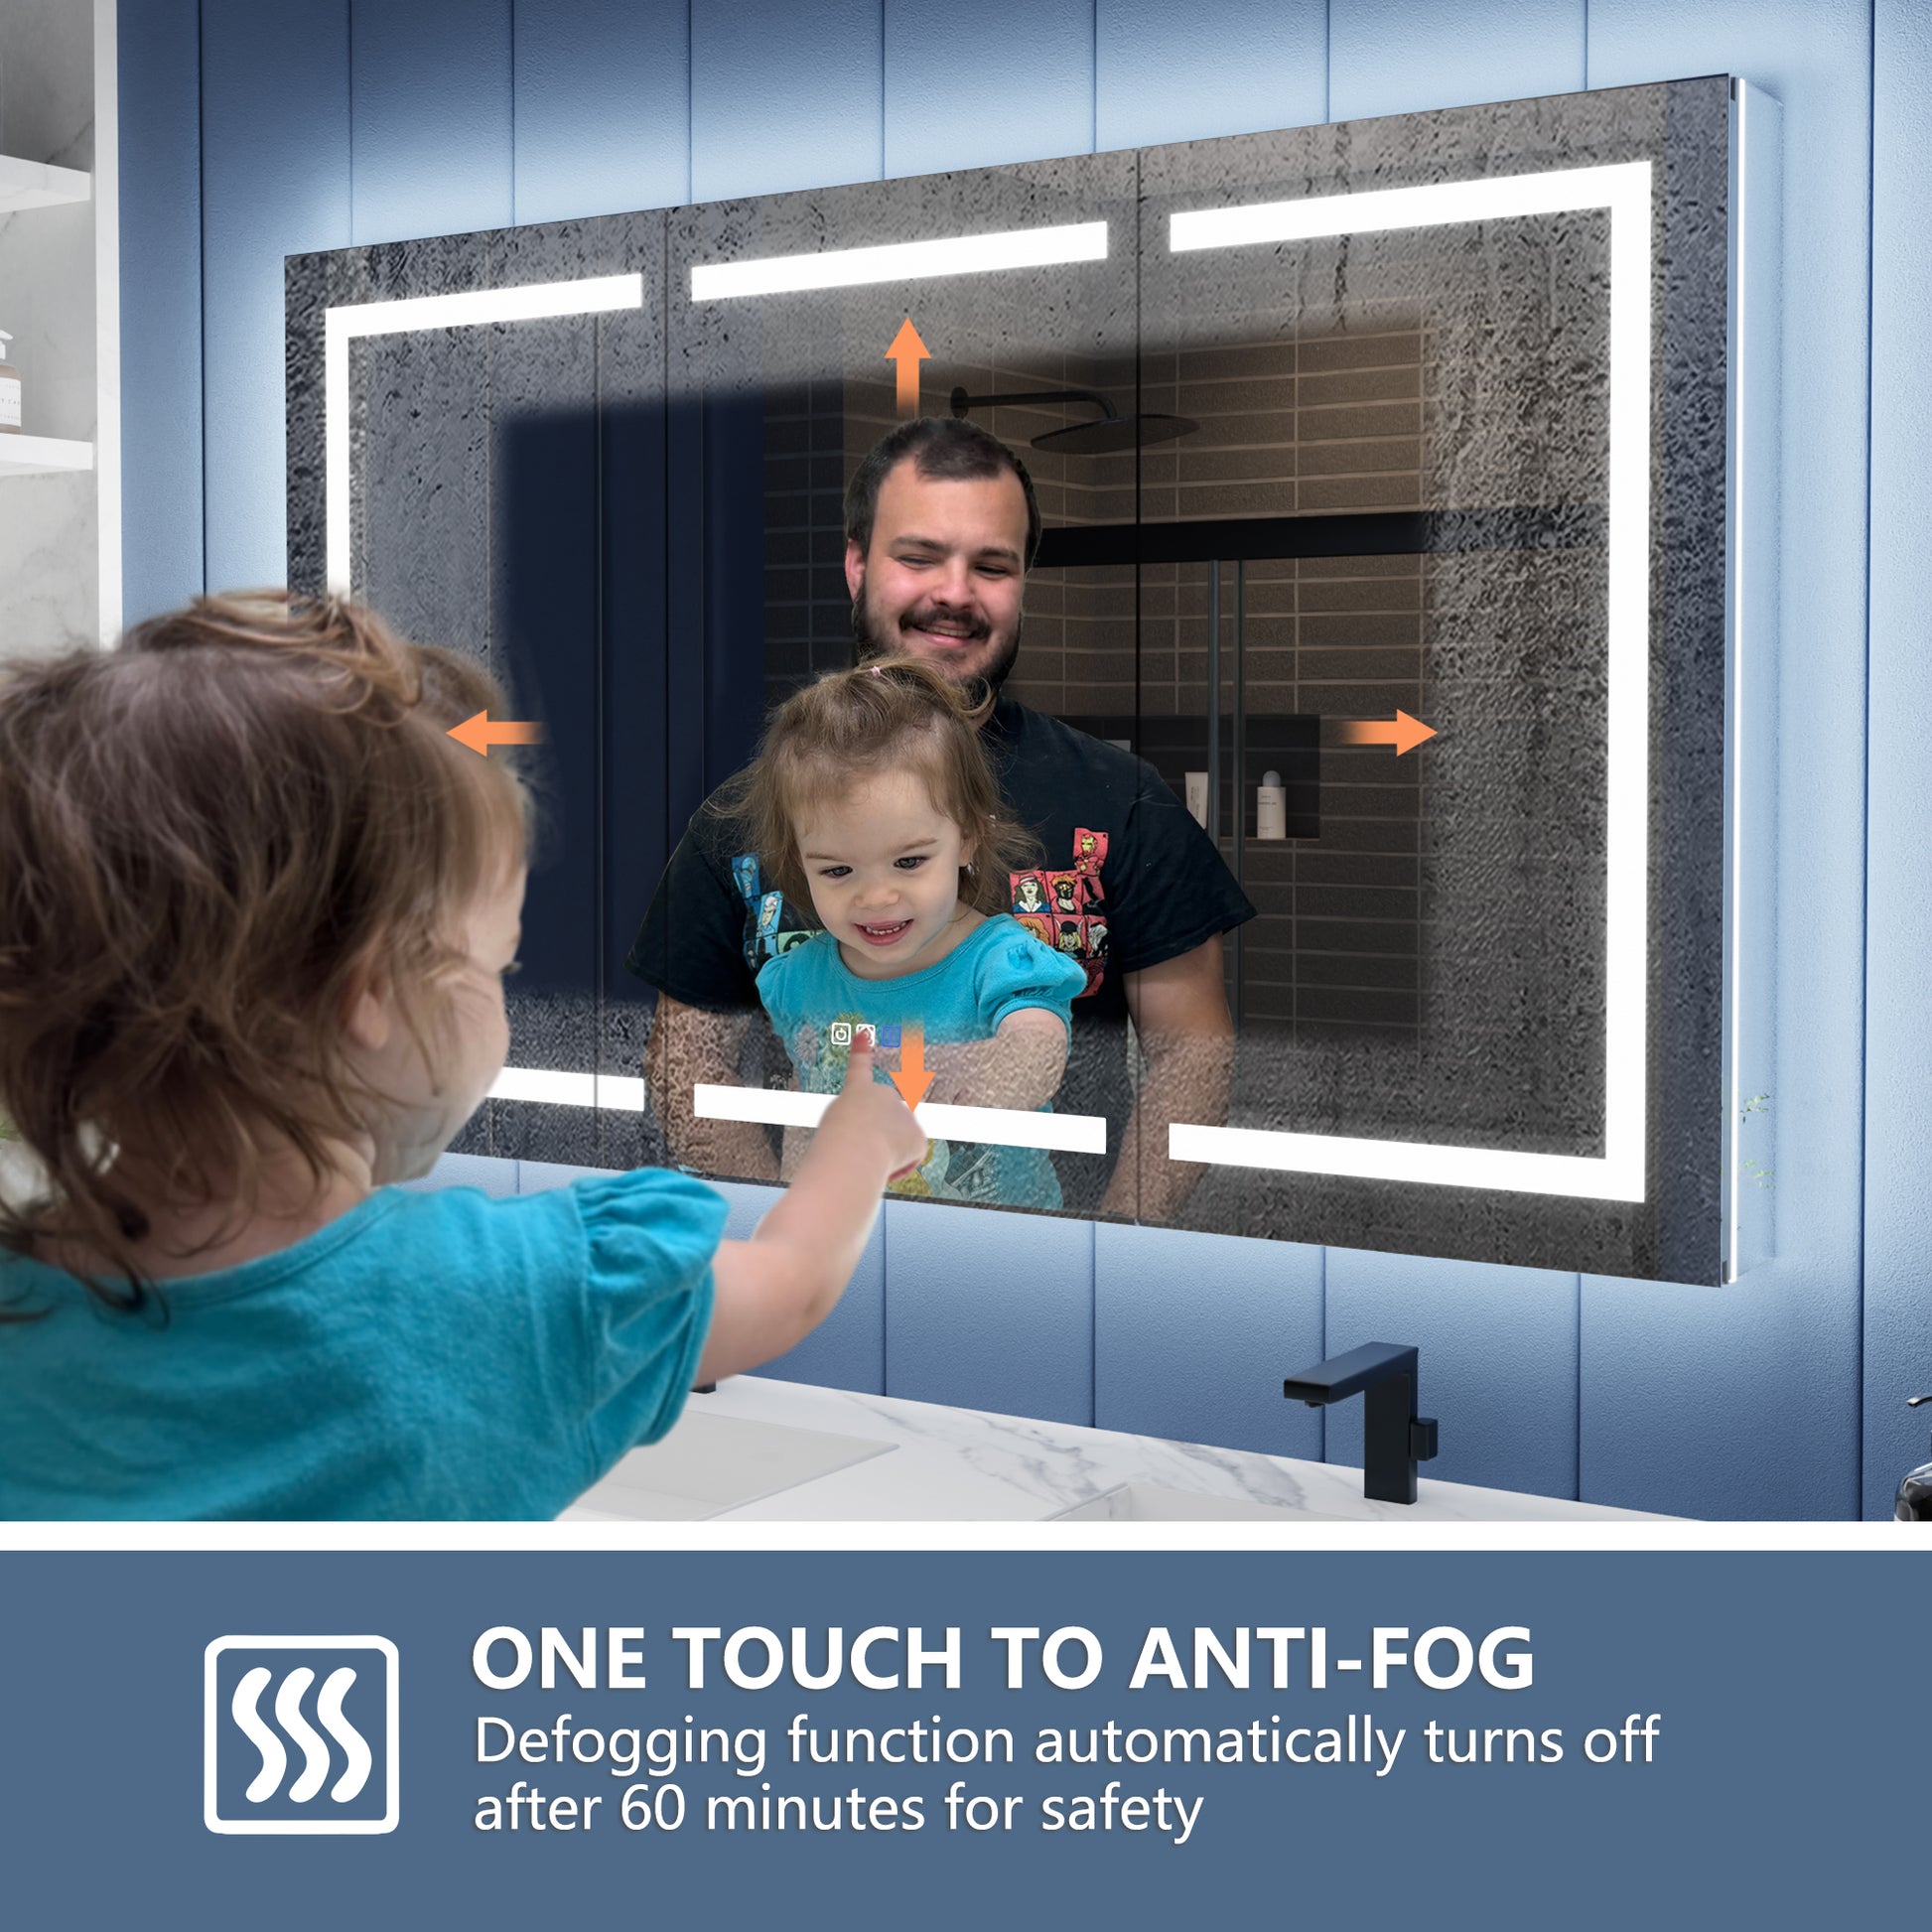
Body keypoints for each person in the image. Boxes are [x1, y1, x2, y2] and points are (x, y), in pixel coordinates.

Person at [0, 594, 924, 1521]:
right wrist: (862, 1135)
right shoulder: (508, 1299)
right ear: (369, 995)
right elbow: (792, 1285)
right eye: (498, 961)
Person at [630, 415, 1254, 1220]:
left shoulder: (1122, 803)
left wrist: (1112, 1250)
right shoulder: (741, 821)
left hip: (1042, 1270)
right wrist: (779, 1238)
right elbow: (689, 1070)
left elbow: (1190, 1055)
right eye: (918, 556)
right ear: (857, 564)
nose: (953, 593)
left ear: (970, 837)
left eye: (990, 565)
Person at [729, 653, 1087, 1211]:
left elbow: (1037, 1056)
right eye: (838, 871)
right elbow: (807, 1113)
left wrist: (965, 1067)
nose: (877, 898)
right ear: (799, 863)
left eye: (909, 862)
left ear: (966, 836)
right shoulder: (803, 981)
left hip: (1003, 1261)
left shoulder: (1000, 961)